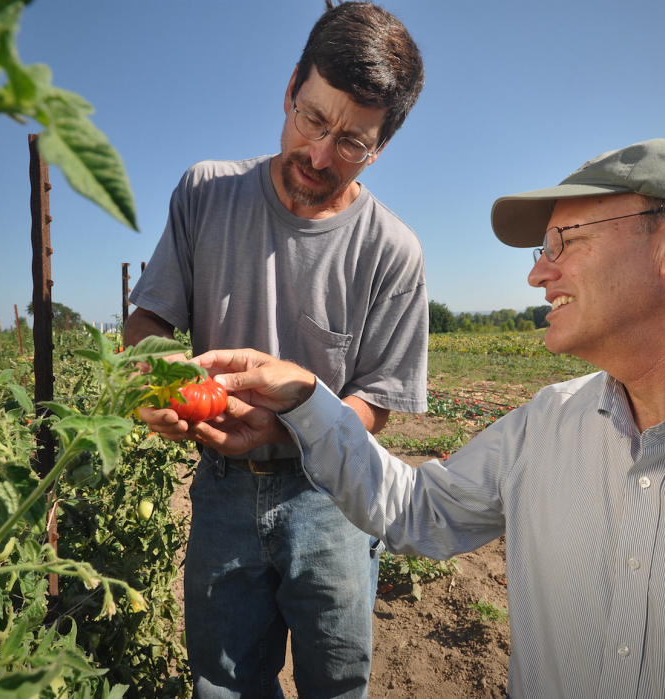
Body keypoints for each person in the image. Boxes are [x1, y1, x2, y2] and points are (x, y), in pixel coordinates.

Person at [193, 139, 665, 698]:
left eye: (567, 241)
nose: (538, 272)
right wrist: (304, 396)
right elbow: (415, 508)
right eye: (543, 249)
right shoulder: (545, 426)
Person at [124, 2, 427, 696]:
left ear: (381, 146)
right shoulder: (206, 193)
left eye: (351, 141)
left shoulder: (393, 250)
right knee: (223, 684)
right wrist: (157, 384)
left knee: (336, 682)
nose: (320, 154)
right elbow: (147, 324)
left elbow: (377, 401)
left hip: (334, 500)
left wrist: (298, 426)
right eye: (313, 118)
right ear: (290, 88)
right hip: (223, 493)